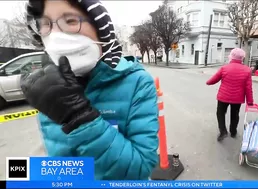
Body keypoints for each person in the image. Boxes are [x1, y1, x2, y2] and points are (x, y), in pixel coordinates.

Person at [21, 0, 159, 180]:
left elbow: (140, 169)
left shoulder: (137, 83)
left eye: (70, 21)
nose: (55, 35)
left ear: (101, 29)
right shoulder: (50, 86)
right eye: (46, 24)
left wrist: (80, 118)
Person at [206, 48, 254, 142]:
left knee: (220, 113)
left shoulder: (224, 68)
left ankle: (223, 131)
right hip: (237, 98)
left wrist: (208, 82)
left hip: (223, 97)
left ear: (231, 57)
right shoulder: (247, 70)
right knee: (235, 114)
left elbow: (214, 79)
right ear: (242, 58)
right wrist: (250, 101)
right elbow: (248, 87)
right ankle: (233, 131)